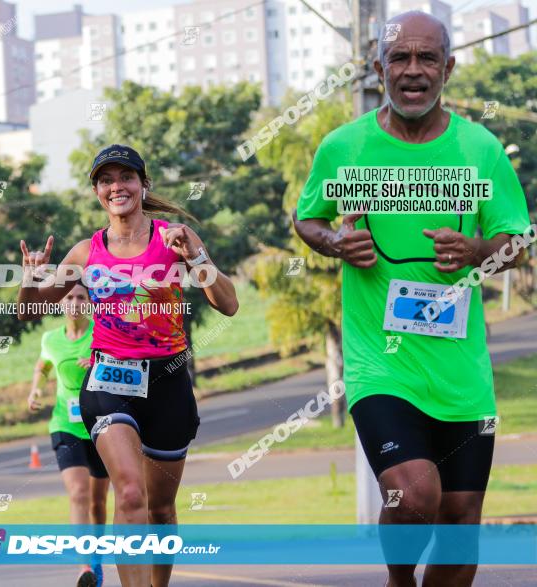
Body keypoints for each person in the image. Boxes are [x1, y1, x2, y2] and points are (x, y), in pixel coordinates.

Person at [293, 12, 531, 587]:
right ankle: (400, 579)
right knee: (417, 493)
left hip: (460, 373)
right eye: (400, 58)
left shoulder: (479, 149)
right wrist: (336, 242)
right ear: (379, 69)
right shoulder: (346, 148)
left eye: (427, 58)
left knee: (459, 520)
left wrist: (478, 250)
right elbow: (308, 219)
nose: (413, 70)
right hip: (382, 365)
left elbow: (517, 241)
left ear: (448, 68)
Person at [18, 144, 238, 587]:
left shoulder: (173, 239)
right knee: (131, 493)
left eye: (125, 177)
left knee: (161, 509)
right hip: (109, 380)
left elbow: (228, 303)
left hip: (168, 381)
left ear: (143, 184)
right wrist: (29, 279)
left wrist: (198, 256)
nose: (116, 186)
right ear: (98, 192)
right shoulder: (86, 252)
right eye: (106, 180)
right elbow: (28, 311)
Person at [28, 283, 110, 587]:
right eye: (69, 297)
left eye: (80, 297)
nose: (74, 302)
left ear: (89, 303)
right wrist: (36, 386)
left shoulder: (101, 333)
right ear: (60, 303)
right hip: (64, 424)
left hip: (100, 424)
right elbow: (43, 365)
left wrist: (99, 364)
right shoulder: (50, 338)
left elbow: (124, 366)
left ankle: (97, 557)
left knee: (98, 502)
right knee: (78, 493)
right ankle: (84, 567)